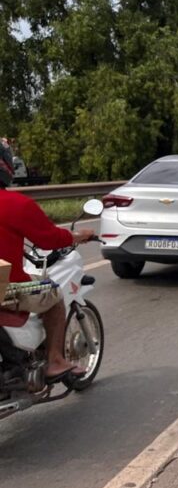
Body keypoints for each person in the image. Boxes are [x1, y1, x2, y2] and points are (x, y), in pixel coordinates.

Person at [0, 142, 95, 378]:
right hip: (8, 289)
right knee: (53, 293)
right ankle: (55, 360)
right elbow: (49, 239)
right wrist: (77, 236)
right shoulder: (16, 205)